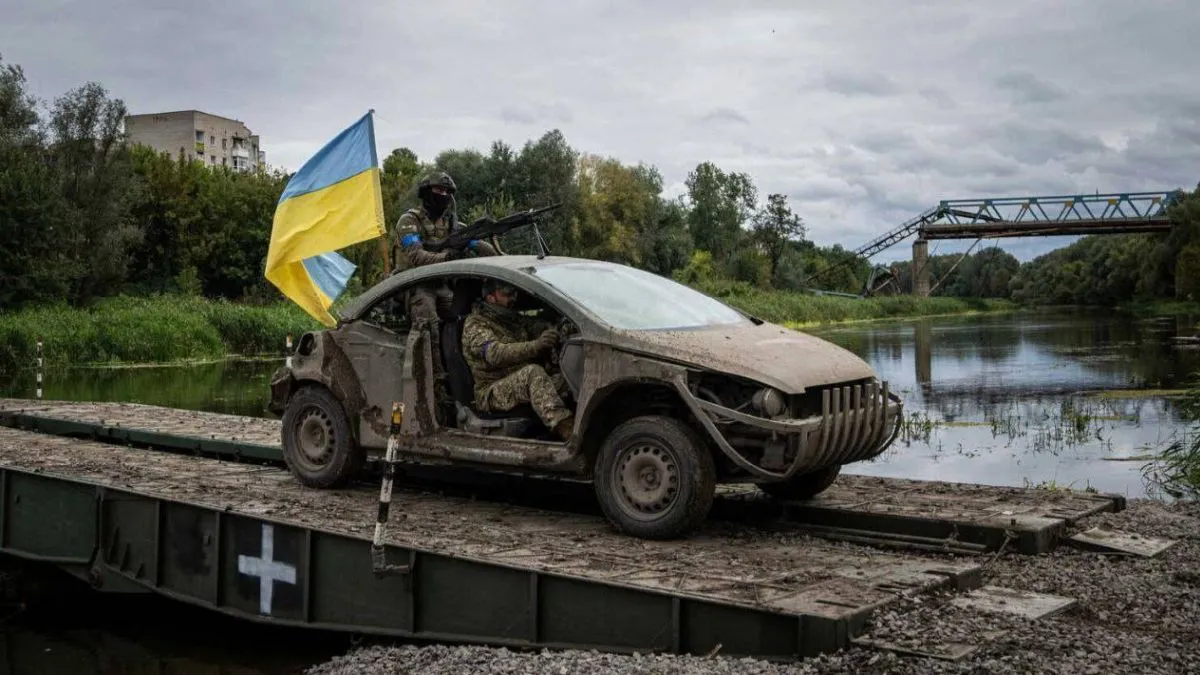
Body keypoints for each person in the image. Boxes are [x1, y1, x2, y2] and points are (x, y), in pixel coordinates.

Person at [461, 279, 574, 441]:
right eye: (507, 294)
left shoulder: (511, 318)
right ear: (491, 297)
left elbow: (536, 326)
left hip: (517, 381)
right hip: (492, 390)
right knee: (532, 373)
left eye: (514, 294)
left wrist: (553, 330)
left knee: (565, 376)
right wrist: (536, 345)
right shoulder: (475, 324)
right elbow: (495, 354)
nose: (513, 298)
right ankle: (567, 431)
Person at [391, 171, 498, 324]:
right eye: (439, 190)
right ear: (426, 192)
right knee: (427, 320)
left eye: (447, 192)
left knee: (464, 318)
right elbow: (417, 257)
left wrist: (491, 242)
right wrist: (448, 257)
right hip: (413, 284)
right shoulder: (410, 221)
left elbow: (480, 247)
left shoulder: (453, 227)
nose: (444, 195)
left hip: (440, 285)